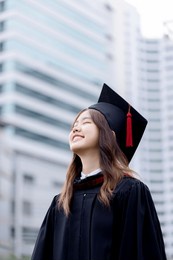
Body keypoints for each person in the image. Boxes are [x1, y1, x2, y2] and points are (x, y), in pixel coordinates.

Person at [31, 83, 167, 260]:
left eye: (86, 122)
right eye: (75, 124)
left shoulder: (130, 192)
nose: (76, 128)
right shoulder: (60, 203)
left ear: (109, 135)